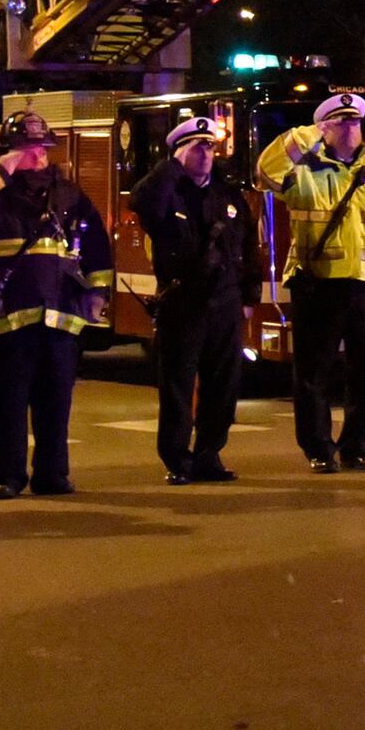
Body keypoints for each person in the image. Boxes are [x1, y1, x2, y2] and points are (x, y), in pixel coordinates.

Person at [0, 112, 111, 499]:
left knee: (55, 404)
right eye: (27, 148)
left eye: (42, 148)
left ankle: (53, 475)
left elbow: (97, 244)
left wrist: (97, 293)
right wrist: (2, 170)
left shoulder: (67, 193)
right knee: (7, 404)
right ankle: (7, 477)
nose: (37, 155)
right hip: (5, 317)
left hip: (60, 317)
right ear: (4, 153)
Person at [254, 90, 365, 472]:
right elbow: (264, 173)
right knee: (313, 374)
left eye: (355, 121)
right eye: (341, 121)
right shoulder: (302, 171)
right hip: (320, 285)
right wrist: (307, 134)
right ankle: (318, 449)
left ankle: (357, 444)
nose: (350, 128)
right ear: (324, 127)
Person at [130, 113, 256, 484]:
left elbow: (249, 247)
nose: (206, 153)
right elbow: (142, 200)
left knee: (223, 385)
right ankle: (177, 460)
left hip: (225, 301)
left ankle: (209, 454)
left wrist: (249, 296)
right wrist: (171, 167)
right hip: (183, 302)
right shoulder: (166, 192)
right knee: (178, 386)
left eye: (210, 146)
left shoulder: (227, 194)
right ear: (177, 151)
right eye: (197, 146)